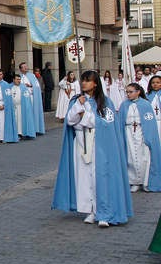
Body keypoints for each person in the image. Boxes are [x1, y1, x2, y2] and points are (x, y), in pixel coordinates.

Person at [52, 70, 133, 228]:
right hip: (81, 143)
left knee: (100, 176)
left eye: (88, 80)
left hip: (98, 143)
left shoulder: (105, 102)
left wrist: (85, 118)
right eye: (83, 80)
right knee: (85, 177)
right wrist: (79, 108)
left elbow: (103, 123)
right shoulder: (77, 100)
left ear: (95, 83)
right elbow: (70, 120)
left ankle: (104, 211)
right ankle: (91, 210)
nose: (84, 83)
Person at [118, 83, 161, 193]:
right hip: (128, 133)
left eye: (131, 92)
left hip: (142, 133)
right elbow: (120, 121)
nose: (128, 94)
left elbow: (150, 122)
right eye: (127, 92)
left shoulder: (146, 105)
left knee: (144, 157)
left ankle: (144, 181)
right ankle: (133, 181)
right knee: (130, 157)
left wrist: (149, 137)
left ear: (138, 92)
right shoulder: (124, 105)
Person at [19, 62, 45, 135]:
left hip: (31, 97)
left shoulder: (32, 76)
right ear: (20, 69)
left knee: (32, 112)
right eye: (24, 67)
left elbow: (37, 87)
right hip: (22, 98)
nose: (26, 68)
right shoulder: (19, 77)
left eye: (26, 66)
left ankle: (34, 129)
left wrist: (30, 86)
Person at [12, 74, 36, 139]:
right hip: (13, 107)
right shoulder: (10, 87)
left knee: (20, 121)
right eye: (17, 79)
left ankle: (21, 133)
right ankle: (15, 133)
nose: (19, 81)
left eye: (19, 79)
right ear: (13, 80)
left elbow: (27, 98)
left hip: (21, 107)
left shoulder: (23, 87)